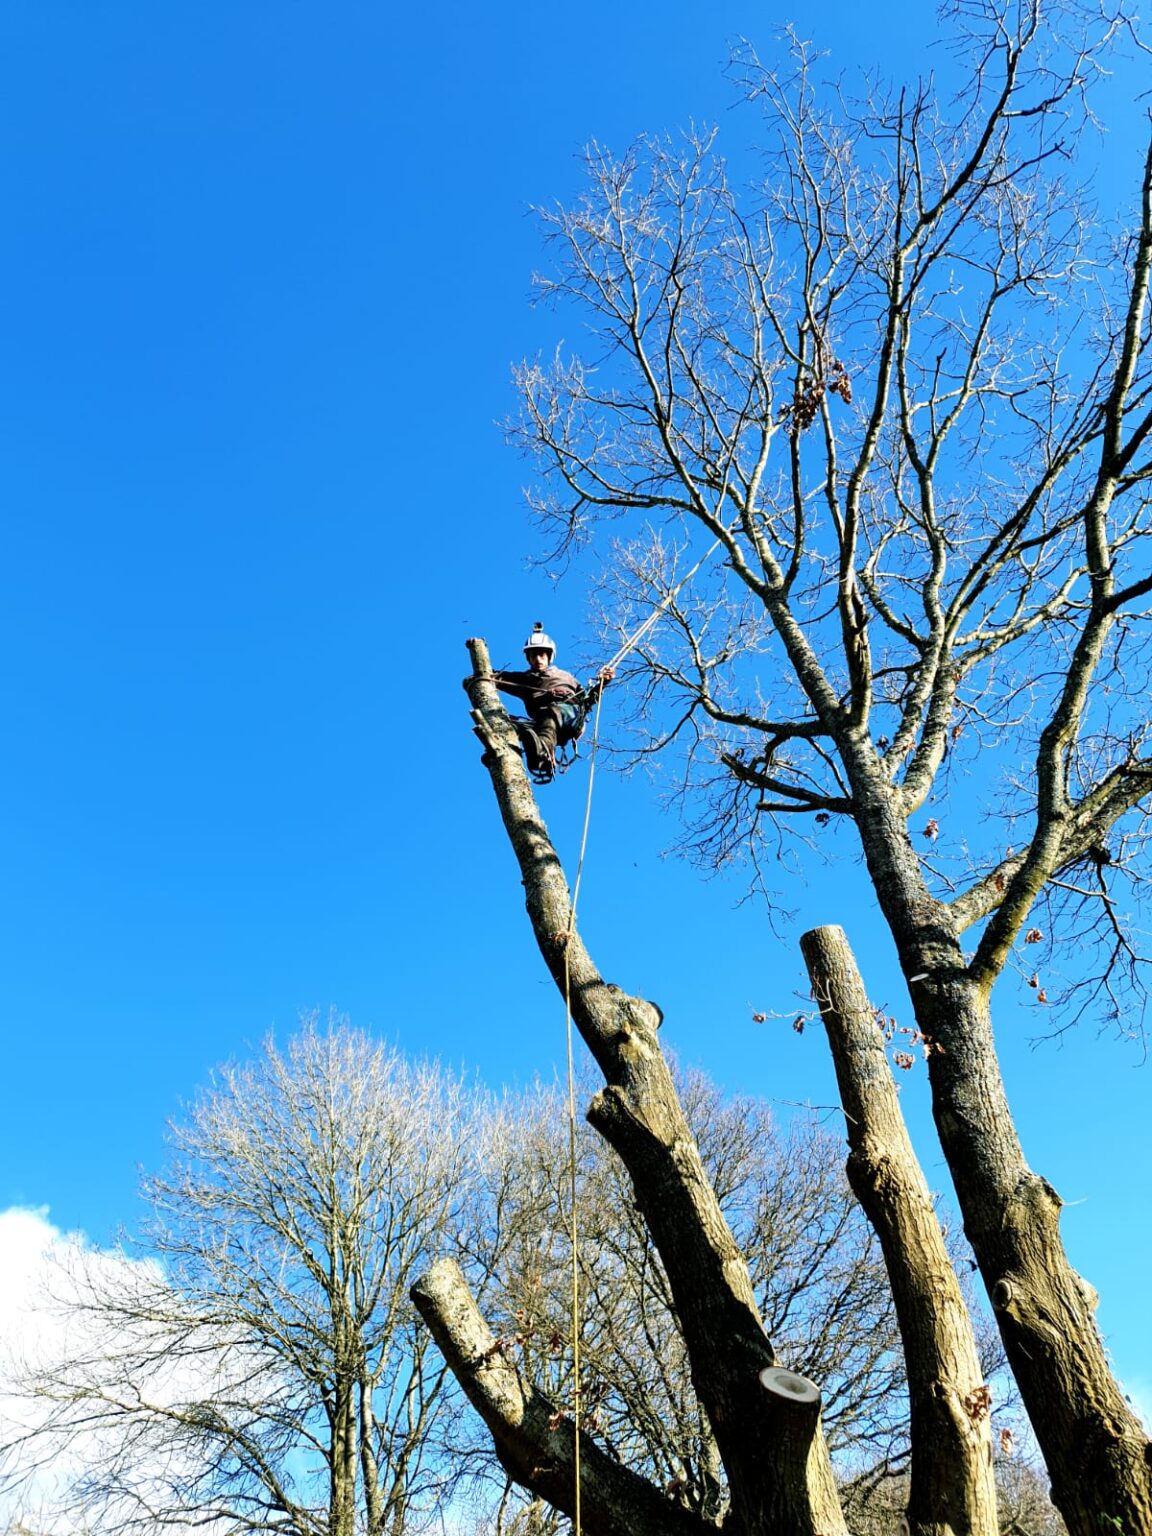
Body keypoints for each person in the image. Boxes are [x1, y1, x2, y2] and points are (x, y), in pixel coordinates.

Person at [492, 625, 614, 782]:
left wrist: (603, 683)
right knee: (512, 725)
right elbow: (495, 677)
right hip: (543, 723)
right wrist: (477, 677)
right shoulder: (525, 679)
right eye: (533, 656)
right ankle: (498, 752)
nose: (538, 659)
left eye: (541, 655)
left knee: (552, 713)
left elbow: (588, 699)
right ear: (528, 658)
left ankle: (542, 754)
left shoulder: (566, 677)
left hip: (569, 716)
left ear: (549, 656)